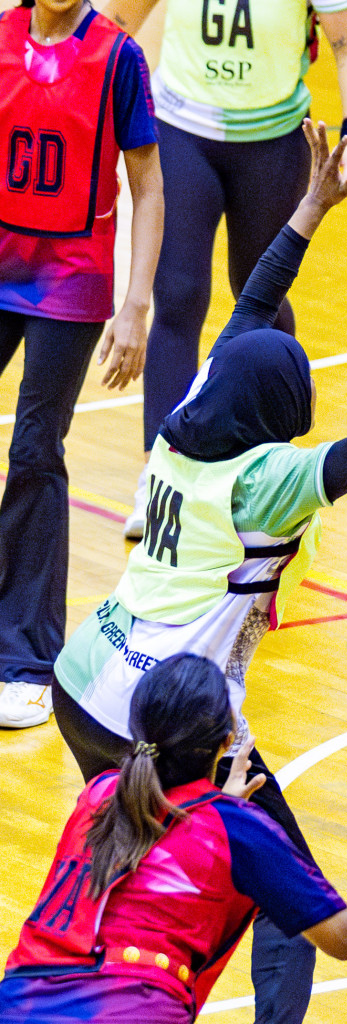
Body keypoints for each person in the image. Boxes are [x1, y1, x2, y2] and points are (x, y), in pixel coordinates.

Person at [49, 117, 347, 1023]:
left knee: (127, 854)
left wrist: (309, 210)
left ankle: (82, 980)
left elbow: (246, 318)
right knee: (285, 885)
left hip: (83, 681)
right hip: (160, 712)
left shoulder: (190, 421)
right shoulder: (261, 480)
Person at [0, 652, 347, 1023]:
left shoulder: (100, 794)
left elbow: (165, 837)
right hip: (129, 1009)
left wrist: (220, 804)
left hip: (18, 1000)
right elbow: (344, 936)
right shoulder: (239, 830)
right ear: (229, 738)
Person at [101, 0, 347, 539]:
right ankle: (161, 474)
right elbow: (114, 26)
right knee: (177, 297)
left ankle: (275, 469)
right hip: (181, 133)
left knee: (261, 295)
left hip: (272, 143)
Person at [0, 0, 162, 729]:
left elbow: (149, 185)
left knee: (36, 448)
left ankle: (26, 658)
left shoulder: (118, 58)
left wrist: (136, 304)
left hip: (70, 276)